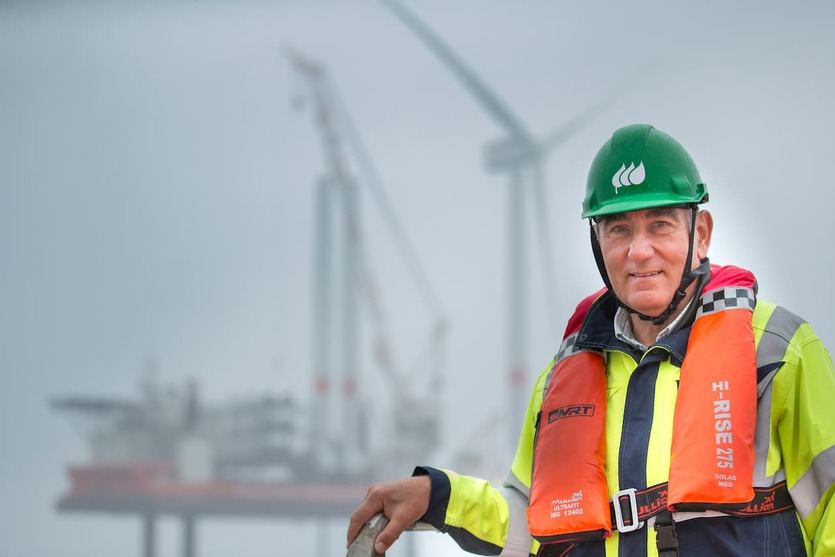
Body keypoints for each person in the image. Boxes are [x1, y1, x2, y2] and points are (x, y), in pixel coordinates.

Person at [347, 124, 835, 556]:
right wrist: (437, 497)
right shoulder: (561, 379)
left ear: (700, 234)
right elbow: (531, 528)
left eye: (659, 224)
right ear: (598, 244)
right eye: (618, 229)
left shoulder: (776, 351)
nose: (639, 250)